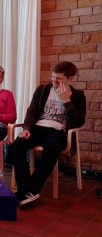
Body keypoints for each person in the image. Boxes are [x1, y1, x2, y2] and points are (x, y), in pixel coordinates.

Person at [8, 61, 86, 206]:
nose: (54, 80)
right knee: (15, 146)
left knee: (52, 148)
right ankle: (28, 190)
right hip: (38, 128)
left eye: (59, 78)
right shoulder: (42, 90)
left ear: (71, 78)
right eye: (53, 76)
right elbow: (31, 111)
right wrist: (26, 128)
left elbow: (78, 122)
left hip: (58, 131)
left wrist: (67, 101)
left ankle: (29, 190)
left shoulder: (78, 96)